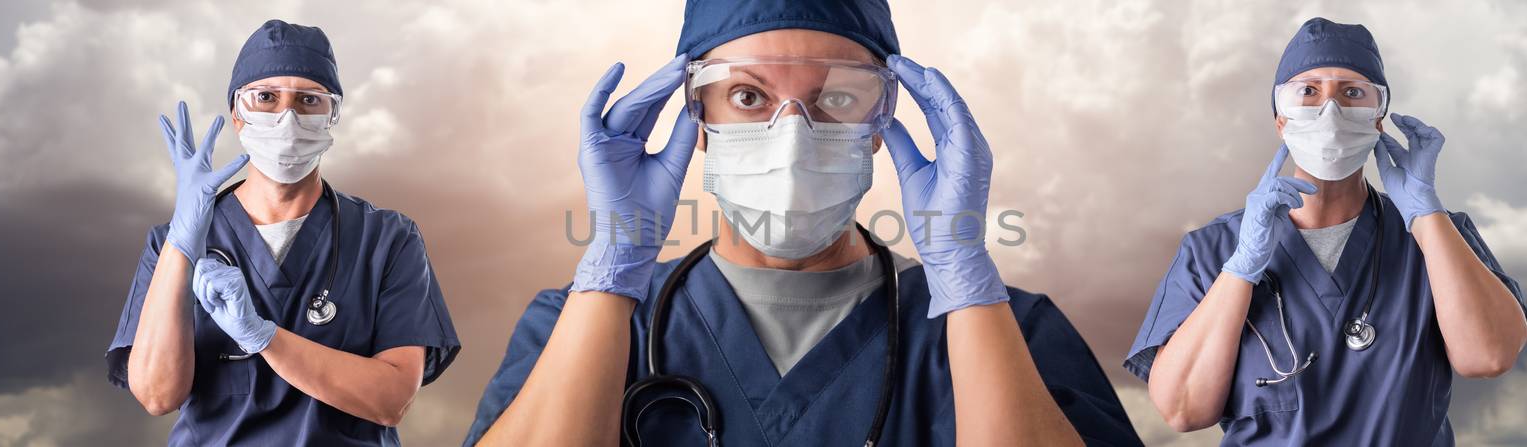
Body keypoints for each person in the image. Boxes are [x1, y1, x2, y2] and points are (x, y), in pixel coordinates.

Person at [464, 0, 1139, 445]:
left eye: (838, 97)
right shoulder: (579, 325)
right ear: (696, 117)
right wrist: (612, 270)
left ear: (880, 123)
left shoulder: (1009, 332)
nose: (792, 137)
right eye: (749, 95)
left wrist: (965, 274)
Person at [1125, 18, 1527, 446]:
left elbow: (1487, 357)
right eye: (1308, 91)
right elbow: (1184, 409)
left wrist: (1426, 216)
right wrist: (1240, 271)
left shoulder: (1440, 238)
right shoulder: (1213, 250)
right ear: (1281, 119)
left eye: (1353, 92)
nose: (1330, 110)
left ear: (1378, 118)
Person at [104, 20, 461, 445]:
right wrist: (182, 245)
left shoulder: (387, 239)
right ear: (237, 114)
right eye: (266, 97)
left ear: (333, 115)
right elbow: (158, 394)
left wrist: (263, 336)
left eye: (309, 100)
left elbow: (392, 400)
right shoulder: (171, 243)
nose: (287, 116)